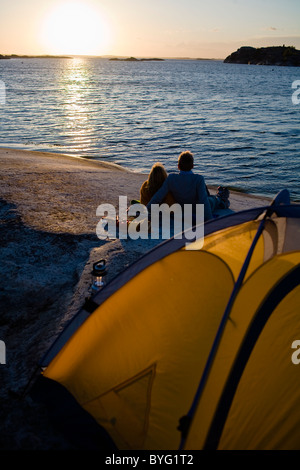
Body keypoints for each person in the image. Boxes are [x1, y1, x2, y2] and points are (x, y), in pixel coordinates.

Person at [146, 151, 230, 222]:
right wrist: (209, 220)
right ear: (192, 166)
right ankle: (220, 198)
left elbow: (158, 196)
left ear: (178, 166)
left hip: (183, 208)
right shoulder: (199, 179)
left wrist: (147, 208)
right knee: (211, 199)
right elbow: (203, 201)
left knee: (208, 197)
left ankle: (220, 197)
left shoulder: (171, 178)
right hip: (198, 209)